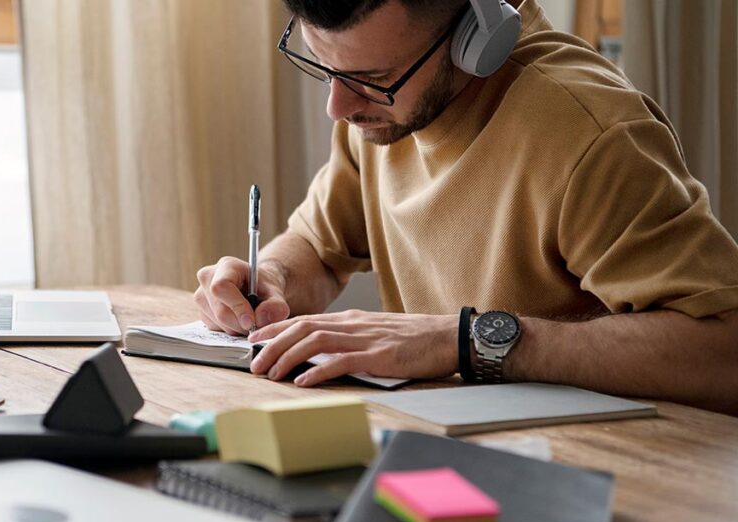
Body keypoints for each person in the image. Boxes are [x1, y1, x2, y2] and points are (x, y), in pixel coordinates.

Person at [193, 0, 738, 414]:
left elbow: (722, 349)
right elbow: (318, 247)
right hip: (442, 445)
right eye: (323, 66)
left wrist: (467, 340)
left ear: (476, 36)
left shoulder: (591, 134)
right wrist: (272, 281)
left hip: (603, 482)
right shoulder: (379, 114)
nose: (338, 106)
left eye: (373, 79)